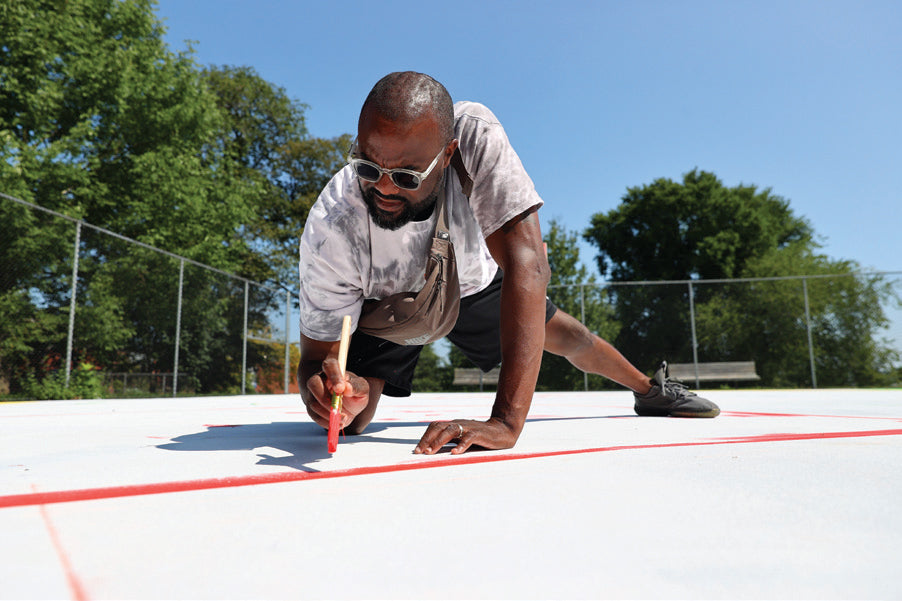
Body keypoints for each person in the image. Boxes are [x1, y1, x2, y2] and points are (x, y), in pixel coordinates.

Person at [298, 71, 719, 455]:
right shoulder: (332, 227)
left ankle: (650, 390)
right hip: (388, 304)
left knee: (569, 336)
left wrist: (505, 421)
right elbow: (316, 358)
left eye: (407, 176)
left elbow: (528, 263)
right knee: (351, 420)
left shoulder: (475, 136)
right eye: (368, 167)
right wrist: (331, 391)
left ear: (447, 156)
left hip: (472, 281)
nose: (384, 187)